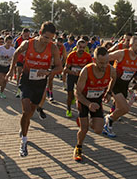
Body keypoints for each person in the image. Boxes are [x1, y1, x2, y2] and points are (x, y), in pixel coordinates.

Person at [8, 22, 63, 157]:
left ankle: (24, 126)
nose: (47, 41)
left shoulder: (53, 48)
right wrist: (11, 70)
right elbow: (16, 52)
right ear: (39, 33)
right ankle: (24, 141)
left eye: (50, 38)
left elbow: (59, 67)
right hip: (26, 80)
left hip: (40, 83)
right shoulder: (28, 44)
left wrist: (49, 72)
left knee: (31, 111)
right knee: (26, 111)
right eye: (45, 37)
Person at [73, 47, 117, 161]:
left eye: (106, 62)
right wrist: (88, 104)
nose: (104, 65)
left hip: (97, 101)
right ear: (94, 60)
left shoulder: (111, 69)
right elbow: (77, 93)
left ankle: (90, 120)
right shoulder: (86, 71)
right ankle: (78, 147)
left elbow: (114, 78)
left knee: (98, 129)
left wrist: (109, 93)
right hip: (84, 100)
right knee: (84, 129)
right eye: (101, 63)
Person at [104, 36, 137, 137]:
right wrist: (108, 70)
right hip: (115, 83)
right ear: (130, 45)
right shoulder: (122, 53)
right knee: (125, 109)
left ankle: (108, 121)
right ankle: (108, 122)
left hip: (125, 85)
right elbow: (105, 57)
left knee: (120, 110)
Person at [64, 37, 93, 118]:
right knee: (70, 95)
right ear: (76, 47)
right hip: (71, 76)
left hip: (81, 77)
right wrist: (72, 72)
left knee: (82, 94)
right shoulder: (71, 55)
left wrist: (83, 73)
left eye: (83, 47)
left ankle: (82, 110)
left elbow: (90, 68)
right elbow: (65, 69)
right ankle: (68, 109)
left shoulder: (87, 56)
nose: (82, 49)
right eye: (80, 47)